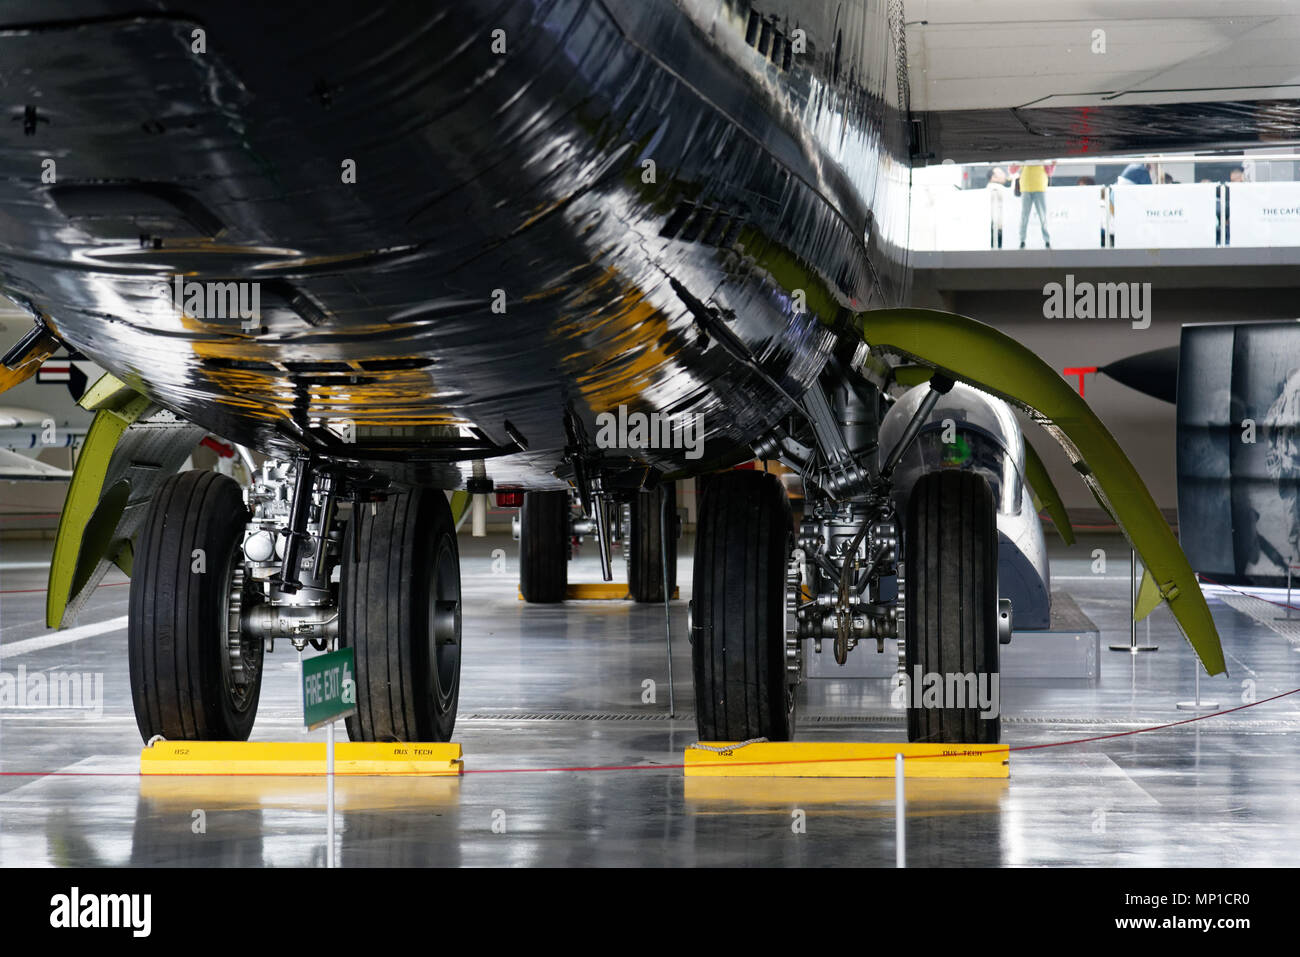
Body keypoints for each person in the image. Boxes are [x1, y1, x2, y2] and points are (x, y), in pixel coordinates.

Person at [1010, 162, 1054, 248]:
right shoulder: (1024, 158)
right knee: (1024, 216)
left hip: (1039, 187)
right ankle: (1022, 240)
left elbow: (1049, 172)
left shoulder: (1042, 159)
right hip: (1026, 188)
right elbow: (1012, 170)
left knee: (1042, 216)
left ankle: (1047, 241)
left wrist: (1052, 164)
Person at [986, 167, 1010, 247]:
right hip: (998, 228)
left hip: (994, 228)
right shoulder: (996, 188)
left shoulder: (989, 188)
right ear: (993, 177)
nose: (1004, 175)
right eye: (1000, 173)